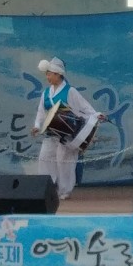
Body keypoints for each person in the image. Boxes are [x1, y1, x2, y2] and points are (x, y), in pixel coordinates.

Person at [30, 57, 105, 200]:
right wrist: (37, 126)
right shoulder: (46, 93)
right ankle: (48, 189)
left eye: (49, 74)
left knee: (64, 163)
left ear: (58, 74)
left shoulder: (70, 91)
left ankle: (65, 191)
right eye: (46, 74)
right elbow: (41, 112)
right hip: (51, 133)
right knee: (45, 159)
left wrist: (96, 115)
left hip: (66, 135)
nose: (47, 77)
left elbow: (85, 107)